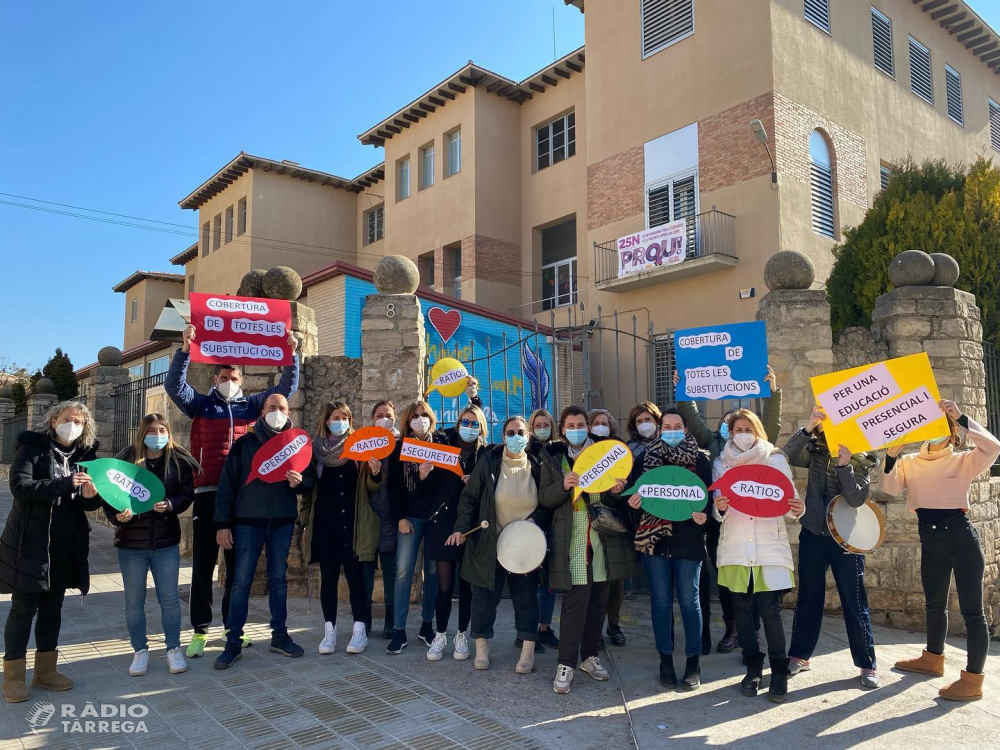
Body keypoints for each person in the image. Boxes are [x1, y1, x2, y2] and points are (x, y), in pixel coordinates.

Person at [166, 323, 300, 658]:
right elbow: (173, 385)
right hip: (207, 493)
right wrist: (185, 350)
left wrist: (291, 353)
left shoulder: (250, 407)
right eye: (224, 377)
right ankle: (199, 631)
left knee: (235, 566)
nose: (229, 381)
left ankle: (231, 629)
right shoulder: (200, 405)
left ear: (241, 381)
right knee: (202, 565)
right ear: (215, 379)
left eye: (234, 377)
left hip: (241, 496)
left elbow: (285, 387)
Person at [882, 399, 1000, 702]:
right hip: (930, 539)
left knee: (973, 612)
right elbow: (890, 487)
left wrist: (959, 416)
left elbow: (993, 447)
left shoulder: (963, 459)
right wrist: (891, 457)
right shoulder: (910, 461)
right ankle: (933, 660)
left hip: (962, 539)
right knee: (933, 605)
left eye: (939, 427)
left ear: (951, 433)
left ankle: (973, 680)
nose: (932, 433)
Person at [2, 401, 101, 703]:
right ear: (54, 419)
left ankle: (45, 672)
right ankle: (13, 677)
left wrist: (90, 496)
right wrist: (65, 483)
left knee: (53, 607)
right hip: (30, 542)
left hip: (65, 544)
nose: (73, 425)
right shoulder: (31, 448)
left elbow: (89, 504)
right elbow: (21, 487)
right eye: (67, 419)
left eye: (80, 421)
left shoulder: (87, 456)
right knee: (23, 608)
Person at [676, 367, 780, 655]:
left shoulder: (762, 449)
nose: (738, 433)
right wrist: (685, 388)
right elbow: (693, 418)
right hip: (719, 524)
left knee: (755, 580)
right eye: (731, 426)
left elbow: (769, 422)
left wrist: (773, 392)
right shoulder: (713, 445)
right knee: (727, 579)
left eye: (746, 429)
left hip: (751, 522)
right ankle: (733, 628)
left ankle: (753, 633)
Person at [539, 406, 639, 695]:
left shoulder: (607, 454)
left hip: (603, 539)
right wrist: (563, 485)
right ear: (562, 429)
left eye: (581, 424)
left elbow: (619, 496)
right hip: (572, 540)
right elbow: (544, 498)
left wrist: (620, 488)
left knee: (599, 600)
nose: (576, 429)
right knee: (575, 602)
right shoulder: (553, 458)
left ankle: (589, 657)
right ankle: (566, 663)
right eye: (570, 425)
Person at [213, 394, 315, 669]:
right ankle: (233, 642)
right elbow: (227, 485)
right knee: (241, 582)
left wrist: (299, 483)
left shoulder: (298, 445)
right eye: (272, 408)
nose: (277, 412)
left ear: (289, 411)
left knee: (279, 581)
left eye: (282, 408)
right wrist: (222, 524)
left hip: (282, 522)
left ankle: (279, 637)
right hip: (246, 522)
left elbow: (310, 482)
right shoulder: (244, 444)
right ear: (262, 412)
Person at [784, 406, 880, 689]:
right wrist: (808, 427)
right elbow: (787, 455)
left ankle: (867, 664)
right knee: (809, 598)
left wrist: (844, 464)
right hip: (813, 533)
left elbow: (856, 499)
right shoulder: (813, 448)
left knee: (855, 601)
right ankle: (800, 656)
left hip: (846, 541)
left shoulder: (863, 460)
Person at [712, 409, 803, 703]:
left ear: (758, 430)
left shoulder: (774, 459)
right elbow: (718, 510)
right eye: (737, 428)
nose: (742, 433)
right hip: (736, 547)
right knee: (742, 613)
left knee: (769, 610)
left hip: (768, 548)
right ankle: (753, 668)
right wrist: (721, 506)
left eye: (747, 427)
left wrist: (796, 508)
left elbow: (790, 502)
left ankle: (778, 670)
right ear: (730, 432)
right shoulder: (721, 464)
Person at [448, 416, 549, 674]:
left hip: (525, 545)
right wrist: (460, 527)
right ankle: (482, 648)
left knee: (526, 598)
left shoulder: (538, 464)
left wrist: (535, 520)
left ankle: (527, 651)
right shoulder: (489, 462)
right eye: (511, 432)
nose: (517, 437)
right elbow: (469, 498)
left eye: (521, 432)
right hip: (490, 544)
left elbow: (547, 502)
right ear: (503, 436)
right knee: (483, 599)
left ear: (528, 436)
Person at [105, 414, 198, 677]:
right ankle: (139, 651)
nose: (157, 435)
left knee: (169, 600)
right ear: (142, 432)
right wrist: (116, 516)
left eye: (162, 430)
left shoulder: (178, 462)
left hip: (165, 543)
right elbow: (110, 496)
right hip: (131, 543)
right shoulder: (125, 460)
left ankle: (173, 649)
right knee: (134, 601)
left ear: (168, 432)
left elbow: (186, 494)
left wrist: (171, 505)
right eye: (152, 430)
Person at [625, 408, 712, 690]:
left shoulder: (701, 461)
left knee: (690, 601)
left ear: (686, 430)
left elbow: (710, 497)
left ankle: (692, 663)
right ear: (660, 430)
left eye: (677, 426)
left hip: (689, 540)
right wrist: (633, 502)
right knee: (661, 602)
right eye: (667, 426)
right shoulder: (644, 458)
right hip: (654, 540)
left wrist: (705, 515)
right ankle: (665, 658)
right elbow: (631, 492)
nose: (671, 430)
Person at [299, 401, 381, 656]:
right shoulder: (314, 452)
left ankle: (359, 630)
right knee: (328, 578)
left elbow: (369, 486)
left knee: (356, 578)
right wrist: (304, 524)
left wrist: (376, 472)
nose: (341, 421)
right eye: (336, 417)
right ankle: (330, 631)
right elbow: (308, 493)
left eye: (345, 417)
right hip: (325, 523)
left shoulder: (359, 447)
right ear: (326, 420)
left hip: (353, 524)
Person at [424, 405, 485, 662]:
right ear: (458, 423)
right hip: (443, 524)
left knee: (468, 586)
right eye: (465, 422)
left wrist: (476, 482)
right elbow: (428, 488)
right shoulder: (443, 447)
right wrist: (424, 474)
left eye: (474, 424)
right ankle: (440, 634)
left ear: (481, 428)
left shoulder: (486, 455)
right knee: (445, 585)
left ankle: (462, 634)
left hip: (472, 525)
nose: (469, 427)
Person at [385, 400, 444, 654]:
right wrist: (400, 518)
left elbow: (443, 485)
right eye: (415, 416)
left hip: (435, 520)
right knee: (403, 573)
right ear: (407, 421)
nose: (420, 420)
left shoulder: (441, 444)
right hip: (409, 518)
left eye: (424, 415)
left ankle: (427, 625)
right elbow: (394, 488)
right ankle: (399, 630)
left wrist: (425, 478)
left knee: (432, 573)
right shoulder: (400, 448)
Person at [588, 408, 627, 648]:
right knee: (594, 583)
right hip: (590, 520)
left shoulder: (620, 451)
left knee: (615, 582)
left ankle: (615, 625)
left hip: (614, 520)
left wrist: (619, 491)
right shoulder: (584, 452)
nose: (600, 426)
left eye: (604, 422)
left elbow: (629, 485)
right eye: (595, 423)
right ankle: (595, 630)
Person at [363, 400, 399, 639]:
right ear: (372, 418)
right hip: (367, 520)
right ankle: (363, 620)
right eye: (379, 414)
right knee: (365, 572)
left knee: (391, 573)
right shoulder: (363, 445)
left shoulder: (400, 445)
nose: (383, 418)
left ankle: (391, 619)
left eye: (388, 415)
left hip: (392, 519)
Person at [527, 408, 559, 649]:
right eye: (537, 425)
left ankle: (545, 627)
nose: (541, 428)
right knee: (528, 580)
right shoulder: (525, 451)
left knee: (548, 580)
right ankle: (526, 630)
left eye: (545, 424)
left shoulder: (559, 450)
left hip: (553, 518)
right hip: (528, 520)